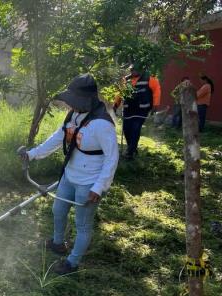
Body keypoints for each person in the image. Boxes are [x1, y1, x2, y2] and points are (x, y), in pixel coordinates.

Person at [20, 74, 119, 275]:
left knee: (82, 224)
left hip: (89, 183)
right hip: (68, 175)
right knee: (58, 210)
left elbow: (112, 159)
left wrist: (99, 187)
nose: (70, 105)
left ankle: (72, 262)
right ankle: (58, 243)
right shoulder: (73, 115)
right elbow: (57, 138)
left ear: (87, 100)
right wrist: (32, 155)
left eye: (75, 101)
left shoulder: (103, 124)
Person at [113, 64, 161, 160]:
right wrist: (116, 104)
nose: (132, 72)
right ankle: (133, 148)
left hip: (142, 109)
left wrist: (155, 105)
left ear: (141, 69)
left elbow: (157, 92)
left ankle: (130, 152)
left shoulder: (150, 79)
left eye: (135, 70)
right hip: (128, 109)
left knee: (135, 128)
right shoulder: (126, 80)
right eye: (131, 70)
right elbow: (120, 93)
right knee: (127, 129)